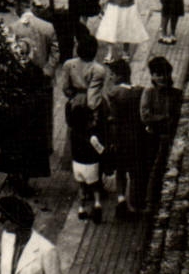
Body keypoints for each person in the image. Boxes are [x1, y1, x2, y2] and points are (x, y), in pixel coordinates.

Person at [0, 37, 52, 198]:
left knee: (15, 147)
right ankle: (21, 180)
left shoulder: (8, 71)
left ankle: (15, 177)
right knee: (27, 150)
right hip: (29, 116)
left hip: (15, 116)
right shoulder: (34, 70)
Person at [138, 56, 181, 212]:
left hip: (169, 138)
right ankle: (149, 202)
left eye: (164, 74)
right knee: (152, 170)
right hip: (153, 139)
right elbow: (145, 116)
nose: (161, 78)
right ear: (152, 76)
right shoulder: (149, 93)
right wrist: (164, 118)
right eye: (157, 75)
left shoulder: (176, 94)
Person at [102, 59, 144, 218]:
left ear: (119, 76)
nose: (110, 77)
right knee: (134, 171)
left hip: (119, 136)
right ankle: (133, 204)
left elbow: (112, 118)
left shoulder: (114, 93)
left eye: (112, 74)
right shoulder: (139, 91)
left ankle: (121, 200)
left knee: (121, 170)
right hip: (135, 136)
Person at [65, 95, 106, 223]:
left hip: (77, 164)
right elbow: (100, 149)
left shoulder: (73, 133)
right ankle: (97, 206)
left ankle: (81, 209)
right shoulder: (92, 135)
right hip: (91, 165)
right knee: (95, 187)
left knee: (82, 187)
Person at [61, 35, 110, 117]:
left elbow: (66, 88)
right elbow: (93, 94)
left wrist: (73, 98)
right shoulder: (98, 69)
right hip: (91, 105)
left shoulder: (68, 64)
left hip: (74, 102)